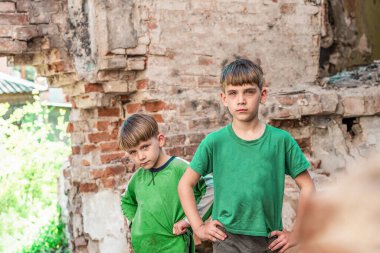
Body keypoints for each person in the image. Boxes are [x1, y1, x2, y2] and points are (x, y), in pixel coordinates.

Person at [178, 58, 315, 253]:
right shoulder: (215, 142)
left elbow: (307, 186)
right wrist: (199, 227)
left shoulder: (280, 141)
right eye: (233, 93)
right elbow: (185, 184)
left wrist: (298, 232)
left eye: (249, 92)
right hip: (227, 239)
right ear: (224, 98)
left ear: (263, 94)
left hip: (269, 241)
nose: (241, 100)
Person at [119, 113, 213, 253]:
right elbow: (126, 201)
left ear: (160, 140)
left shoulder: (180, 168)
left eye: (145, 147)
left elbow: (211, 188)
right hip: (144, 247)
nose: (141, 156)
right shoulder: (137, 178)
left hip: (175, 246)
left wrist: (189, 220)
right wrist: (136, 223)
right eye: (133, 152)